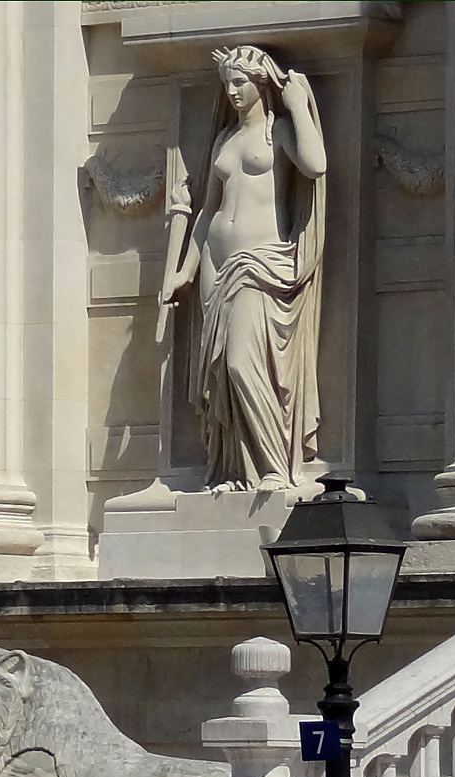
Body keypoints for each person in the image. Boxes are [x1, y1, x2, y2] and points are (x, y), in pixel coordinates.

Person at [164, 45, 327, 493]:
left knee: (241, 364)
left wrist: (298, 105)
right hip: (217, 264)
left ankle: (275, 466)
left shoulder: (280, 133)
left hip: (261, 262)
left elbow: (316, 165)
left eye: (241, 82)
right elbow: (206, 212)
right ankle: (236, 470)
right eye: (228, 83)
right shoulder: (224, 139)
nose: (233, 91)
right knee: (220, 373)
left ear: (261, 85)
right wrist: (187, 270)